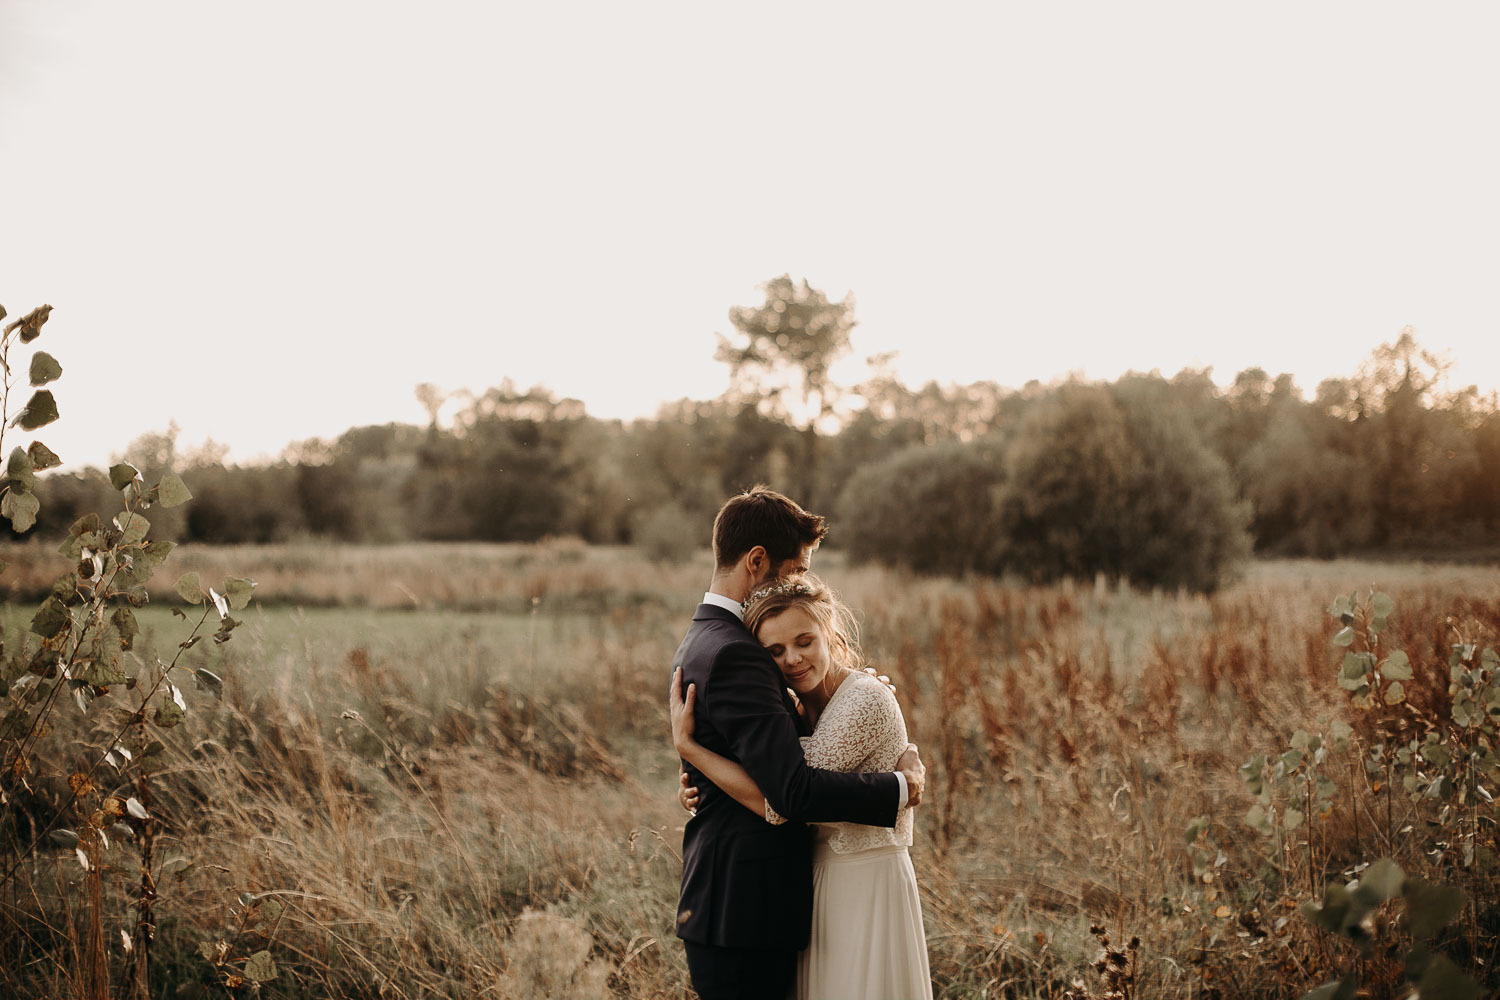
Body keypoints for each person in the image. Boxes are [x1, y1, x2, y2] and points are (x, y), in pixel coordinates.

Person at [670, 486, 926, 1000]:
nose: (802, 585)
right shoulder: (739, 651)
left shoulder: (701, 637)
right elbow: (789, 790)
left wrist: (700, 773)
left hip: (743, 902)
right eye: (797, 571)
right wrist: (901, 786)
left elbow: (755, 750)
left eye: (805, 642)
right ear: (758, 561)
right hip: (746, 910)